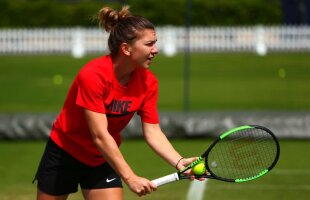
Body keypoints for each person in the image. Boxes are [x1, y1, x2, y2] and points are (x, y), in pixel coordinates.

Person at [34, 5, 198, 200]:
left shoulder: (148, 82)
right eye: (149, 44)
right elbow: (100, 135)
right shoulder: (93, 75)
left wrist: (179, 162)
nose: (155, 50)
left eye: (155, 43)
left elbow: (153, 132)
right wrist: (130, 177)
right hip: (64, 154)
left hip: (101, 158)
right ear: (126, 48)